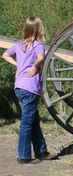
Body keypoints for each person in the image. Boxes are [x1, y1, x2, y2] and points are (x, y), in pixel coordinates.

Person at [2, 16, 57, 164]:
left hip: (19, 87)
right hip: (30, 88)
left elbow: (5, 55)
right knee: (27, 123)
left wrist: (18, 66)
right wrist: (34, 66)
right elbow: (40, 57)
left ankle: (42, 152)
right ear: (39, 29)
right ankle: (24, 156)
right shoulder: (38, 45)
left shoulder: (19, 45)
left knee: (33, 120)